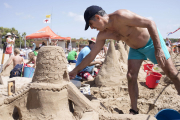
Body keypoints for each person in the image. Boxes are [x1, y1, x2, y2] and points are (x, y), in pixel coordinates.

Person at [69, 5, 180, 115]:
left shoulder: (121, 16)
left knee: (172, 73)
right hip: (135, 49)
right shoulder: (102, 35)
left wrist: (158, 49)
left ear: (98, 17)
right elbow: (91, 55)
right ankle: (134, 110)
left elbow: (150, 23)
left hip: (151, 42)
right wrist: (75, 70)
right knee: (131, 76)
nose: (92, 28)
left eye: (91, 24)